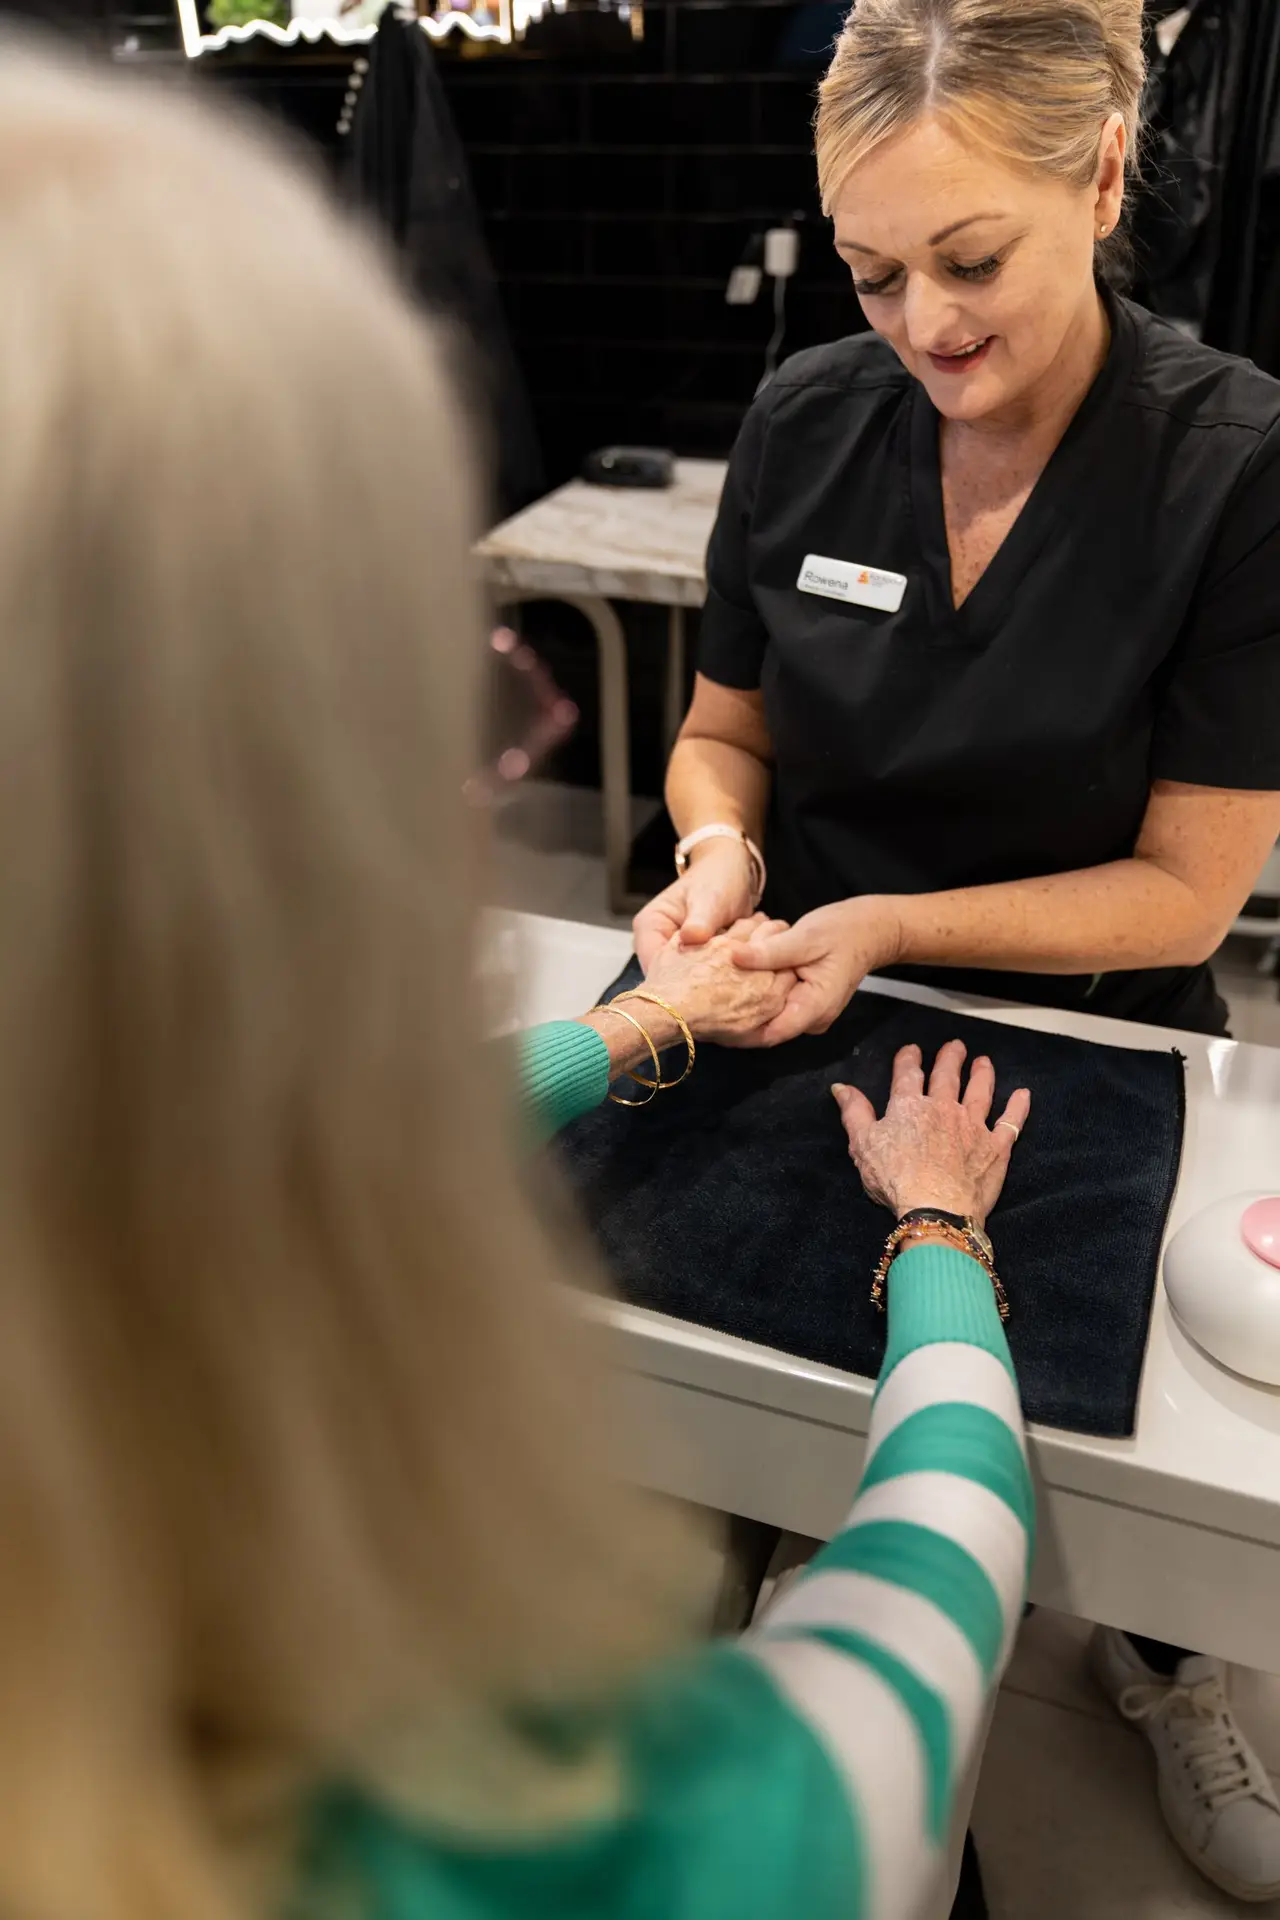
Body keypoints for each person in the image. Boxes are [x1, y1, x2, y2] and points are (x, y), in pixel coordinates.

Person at [0, 40, 1036, 1920]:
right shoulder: (645, 1845)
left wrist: (649, 1010)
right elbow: (941, 1595)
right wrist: (945, 1240)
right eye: (466, 709)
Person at [633, 0, 1280, 1898]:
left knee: (1113, 1463)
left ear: (1096, 178)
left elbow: (1181, 892)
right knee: (744, 1395)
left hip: (1096, 1027)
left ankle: (1169, 1665)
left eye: (971, 259)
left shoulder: (1232, 463)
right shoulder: (806, 419)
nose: (923, 325)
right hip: (795, 995)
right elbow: (721, 726)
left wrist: (890, 920)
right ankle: (773, 1611)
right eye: (872, 271)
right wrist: (718, 848)